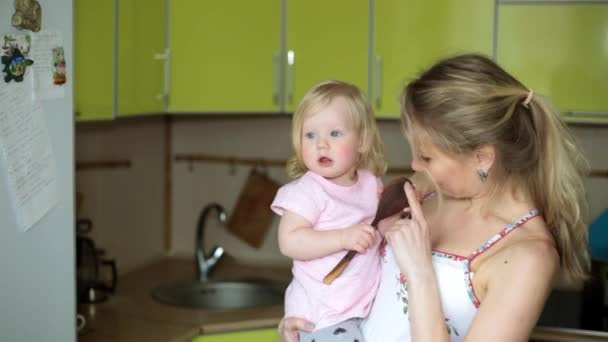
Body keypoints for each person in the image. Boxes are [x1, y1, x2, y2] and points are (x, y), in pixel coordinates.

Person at [279, 54, 590, 342]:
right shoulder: (429, 190)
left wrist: (420, 274)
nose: (415, 166)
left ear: (482, 157)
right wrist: (313, 322)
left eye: (426, 157)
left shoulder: (528, 257)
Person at [271, 80, 387, 342]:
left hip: (361, 308)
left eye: (335, 134)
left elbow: (379, 228)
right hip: (321, 315)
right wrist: (342, 238)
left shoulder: (370, 183)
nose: (321, 144)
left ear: (363, 140)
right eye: (310, 135)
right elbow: (289, 241)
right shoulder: (307, 191)